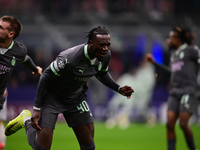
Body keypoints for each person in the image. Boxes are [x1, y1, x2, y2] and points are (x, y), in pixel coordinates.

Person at [5, 26, 134, 150]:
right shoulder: (70, 58)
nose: (105, 49)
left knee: (89, 146)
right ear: (91, 43)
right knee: (41, 148)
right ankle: (26, 120)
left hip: (76, 99)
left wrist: (118, 89)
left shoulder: (105, 56)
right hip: (52, 98)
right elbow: (45, 76)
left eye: (108, 45)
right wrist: (37, 108)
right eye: (101, 45)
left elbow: (101, 73)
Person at [146, 25, 199, 150]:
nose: (168, 40)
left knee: (183, 123)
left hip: (188, 90)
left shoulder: (191, 50)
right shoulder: (174, 54)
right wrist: (154, 63)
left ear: (178, 39)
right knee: (169, 124)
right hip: (174, 91)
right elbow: (171, 72)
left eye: (170, 38)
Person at [0, 15, 42, 149]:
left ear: (10, 34)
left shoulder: (18, 50)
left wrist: (35, 69)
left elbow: (25, 59)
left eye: (0, 27)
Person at [105, 58, 156, 129]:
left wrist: (137, 91)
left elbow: (147, 86)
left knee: (141, 108)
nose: (142, 63)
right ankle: (114, 119)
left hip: (142, 94)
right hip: (133, 94)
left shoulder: (149, 73)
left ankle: (151, 118)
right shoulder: (136, 73)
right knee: (115, 104)